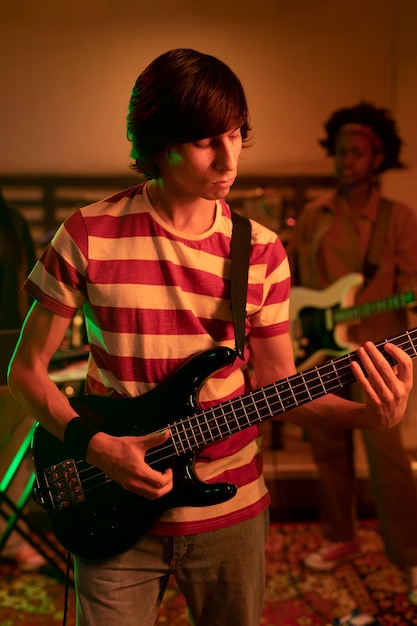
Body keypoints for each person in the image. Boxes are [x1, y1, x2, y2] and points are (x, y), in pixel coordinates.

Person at [7, 51, 413, 626]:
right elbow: (24, 372)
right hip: (111, 502)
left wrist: (368, 418)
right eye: (204, 141)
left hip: (232, 510)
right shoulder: (86, 233)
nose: (229, 159)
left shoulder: (263, 250)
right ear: (160, 141)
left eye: (235, 135)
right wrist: (99, 447)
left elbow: (277, 383)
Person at [288, 101, 417, 605]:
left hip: (381, 349)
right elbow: (297, 282)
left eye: (357, 153)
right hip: (321, 349)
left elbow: (410, 285)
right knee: (327, 447)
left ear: (377, 157)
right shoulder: (316, 214)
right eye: (340, 153)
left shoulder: (397, 218)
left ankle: (408, 554)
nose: (346, 161)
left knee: (386, 452)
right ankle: (339, 535)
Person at [0, 189, 45, 570]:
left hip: (9, 353)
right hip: (9, 349)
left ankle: (11, 540)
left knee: (21, 445)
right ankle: (11, 540)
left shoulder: (11, 222)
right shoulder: (11, 220)